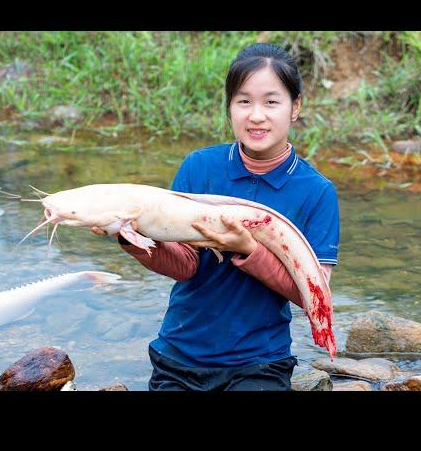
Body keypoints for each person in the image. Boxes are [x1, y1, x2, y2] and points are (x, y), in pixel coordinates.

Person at [92, 42, 340, 391]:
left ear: (295, 107)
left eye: (271, 101)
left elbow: (312, 296)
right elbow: (185, 266)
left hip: (259, 363)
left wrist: (249, 251)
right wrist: (130, 237)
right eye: (243, 101)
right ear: (229, 107)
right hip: (179, 355)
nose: (256, 115)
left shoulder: (316, 192)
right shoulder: (199, 167)